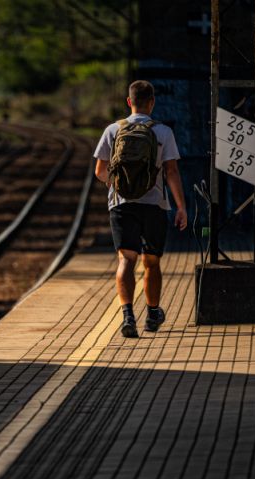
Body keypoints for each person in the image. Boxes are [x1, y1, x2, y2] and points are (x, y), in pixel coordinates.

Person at [94, 80, 187, 338]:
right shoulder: (163, 132)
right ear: (152, 102)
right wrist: (181, 207)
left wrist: (119, 185)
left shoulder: (113, 130)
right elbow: (172, 172)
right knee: (151, 262)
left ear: (129, 102)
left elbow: (100, 172)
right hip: (154, 205)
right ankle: (153, 313)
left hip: (121, 205)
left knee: (126, 259)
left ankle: (127, 315)